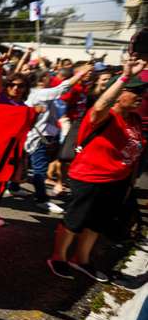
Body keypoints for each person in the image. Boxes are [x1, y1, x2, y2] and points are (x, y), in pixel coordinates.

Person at [47, 57, 146, 281]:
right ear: (118, 94)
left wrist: (129, 184)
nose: (139, 95)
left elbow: (135, 154)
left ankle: (81, 260)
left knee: (96, 224)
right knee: (74, 221)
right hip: (90, 178)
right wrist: (125, 76)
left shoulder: (135, 121)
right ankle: (58, 257)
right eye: (134, 91)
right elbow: (101, 105)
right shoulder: (103, 116)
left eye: (142, 91)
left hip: (117, 182)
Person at [24, 64, 92, 214]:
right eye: (49, 76)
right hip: (38, 137)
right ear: (42, 80)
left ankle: (14, 187)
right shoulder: (40, 93)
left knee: (24, 164)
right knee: (39, 170)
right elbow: (62, 89)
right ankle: (41, 199)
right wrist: (80, 74)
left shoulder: (39, 93)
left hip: (41, 135)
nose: (52, 78)